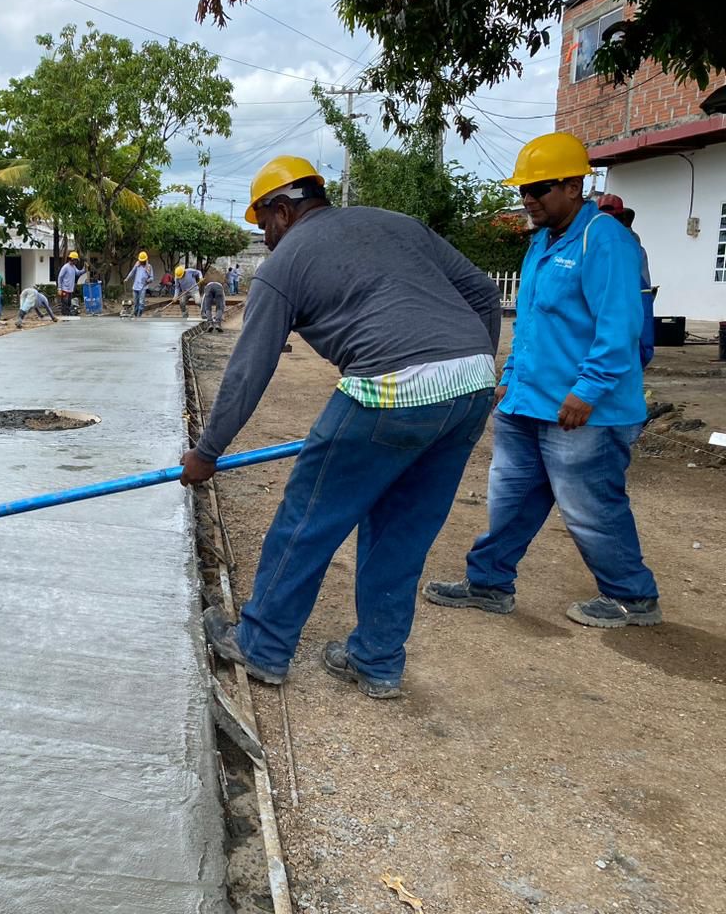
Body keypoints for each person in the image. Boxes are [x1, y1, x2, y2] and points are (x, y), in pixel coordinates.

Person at [183, 154, 501, 699]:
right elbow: (482, 294)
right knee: (403, 529)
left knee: (309, 517)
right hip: (472, 385)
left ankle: (261, 646)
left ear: (282, 211)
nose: (267, 240)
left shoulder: (282, 267)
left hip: (389, 388)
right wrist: (465, 367)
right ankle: (377, 661)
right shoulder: (395, 223)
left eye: (264, 227)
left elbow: (248, 368)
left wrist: (207, 450)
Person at [425, 132, 659, 629]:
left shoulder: (605, 240)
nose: (529, 198)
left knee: (591, 508)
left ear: (575, 186)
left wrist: (587, 391)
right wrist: (509, 374)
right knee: (509, 501)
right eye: (523, 190)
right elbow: (530, 320)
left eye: (540, 188)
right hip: (528, 402)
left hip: (583, 411)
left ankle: (632, 597)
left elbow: (619, 327)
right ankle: (488, 583)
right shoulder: (540, 242)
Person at [597, 194, 656, 368]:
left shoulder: (631, 245)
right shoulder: (593, 243)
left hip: (629, 305)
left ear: (621, 217)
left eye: (612, 217)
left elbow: (642, 294)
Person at [124, 252, 153, 316]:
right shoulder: (137, 265)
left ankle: (139, 315)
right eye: (141, 260)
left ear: (145, 260)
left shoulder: (149, 267)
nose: (141, 262)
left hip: (143, 287)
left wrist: (148, 280)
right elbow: (132, 272)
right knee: (135, 302)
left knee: (141, 302)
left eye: (143, 260)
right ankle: (135, 314)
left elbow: (152, 278)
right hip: (135, 287)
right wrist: (127, 278)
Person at [199, 266, 226, 332]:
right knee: (219, 307)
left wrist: (202, 312)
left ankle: (210, 323)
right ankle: (218, 324)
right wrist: (223, 312)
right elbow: (223, 302)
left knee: (207, 308)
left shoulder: (207, 284)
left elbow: (203, 302)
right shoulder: (220, 282)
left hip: (209, 287)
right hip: (219, 288)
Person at [57, 251, 81, 316]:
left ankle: (67, 317)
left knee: (69, 303)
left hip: (70, 289)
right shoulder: (65, 267)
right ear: (72, 259)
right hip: (65, 289)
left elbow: (78, 273)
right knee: (65, 304)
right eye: (76, 260)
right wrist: (59, 288)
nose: (76, 262)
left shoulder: (73, 267)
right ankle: (65, 318)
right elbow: (60, 277)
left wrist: (85, 269)